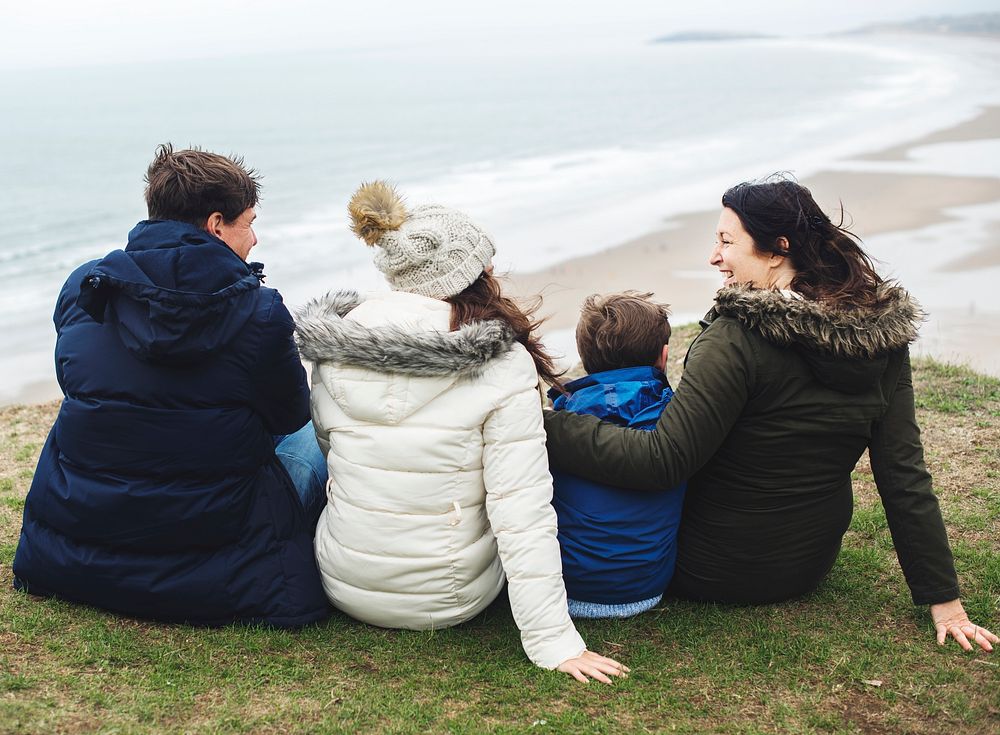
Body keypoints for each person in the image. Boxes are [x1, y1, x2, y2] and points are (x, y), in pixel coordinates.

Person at [543, 176, 997, 653]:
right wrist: (943, 599)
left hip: (713, 567)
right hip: (808, 563)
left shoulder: (736, 337)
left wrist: (546, 424)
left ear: (778, 249)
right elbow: (902, 471)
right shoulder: (881, 336)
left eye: (726, 241)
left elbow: (662, 461)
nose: (713, 257)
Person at [294, 181, 627, 682]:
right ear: (472, 274)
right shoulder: (501, 363)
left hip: (345, 582)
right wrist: (553, 640)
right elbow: (521, 510)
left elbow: (331, 454)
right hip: (448, 596)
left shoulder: (335, 345)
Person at [12, 144, 329, 628]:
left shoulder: (88, 286)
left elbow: (78, 377)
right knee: (314, 434)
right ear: (216, 224)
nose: (256, 238)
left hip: (83, 537)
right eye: (249, 222)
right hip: (216, 547)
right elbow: (289, 415)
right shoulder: (259, 313)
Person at [548, 292, 685, 618]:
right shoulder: (676, 420)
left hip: (566, 588)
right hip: (647, 589)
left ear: (584, 357)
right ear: (663, 357)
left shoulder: (564, 418)